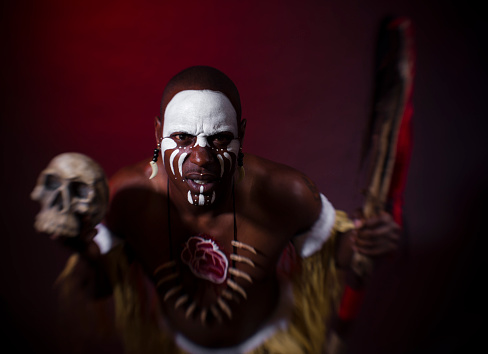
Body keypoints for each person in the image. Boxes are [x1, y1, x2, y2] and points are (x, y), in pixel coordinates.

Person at [54, 66, 400, 353]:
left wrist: (363, 242)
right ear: (158, 133)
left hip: (268, 340)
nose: (201, 158)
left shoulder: (286, 193)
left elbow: (338, 255)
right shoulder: (128, 198)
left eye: (219, 139)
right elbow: (98, 286)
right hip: (171, 343)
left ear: (242, 135)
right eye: (183, 138)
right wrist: (80, 246)